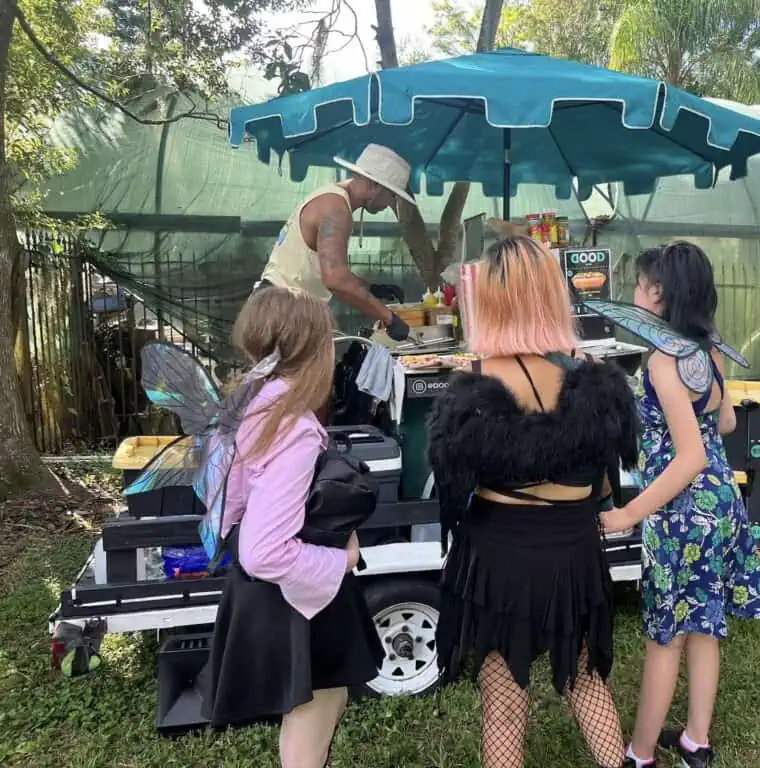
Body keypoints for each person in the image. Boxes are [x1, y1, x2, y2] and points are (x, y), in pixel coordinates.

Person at [427, 235, 641, 768]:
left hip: (498, 554)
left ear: (492, 299)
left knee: (503, 708)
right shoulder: (594, 379)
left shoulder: (472, 383)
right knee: (588, 684)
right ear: (552, 294)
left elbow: (452, 486)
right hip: (573, 551)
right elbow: (607, 486)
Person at [601, 241, 760, 768]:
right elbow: (724, 423)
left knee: (664, 636)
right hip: (721, 504)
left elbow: (690, 455)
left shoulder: (663, 361)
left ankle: (640, 753)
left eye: (640, 284)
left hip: (681, 514)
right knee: (704, 624)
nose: (635, 292)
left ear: (658, 293)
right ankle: (697, 740)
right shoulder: (710, 349)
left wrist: (630, 513)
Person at [201, 286, 384, 768]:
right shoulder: (291, 425)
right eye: (328, 340)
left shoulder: (251, 401)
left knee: (324, 702)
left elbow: (224, 498)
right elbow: (263, 551)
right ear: (312, 349)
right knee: (314, 711)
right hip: (295, 593)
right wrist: (339, 558)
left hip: (277, 592)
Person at [258, 143, 416, 341]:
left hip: (276, 308)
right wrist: (389, 318)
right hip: (281, 314)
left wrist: (370, 288)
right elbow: (335, 279)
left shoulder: (333, 198)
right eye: (391, 195)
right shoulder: (336, 209)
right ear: (375, 186)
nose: (390, 203)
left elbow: (327, 268)